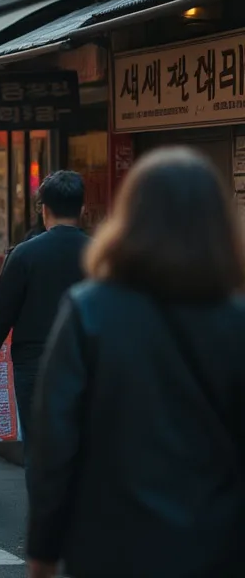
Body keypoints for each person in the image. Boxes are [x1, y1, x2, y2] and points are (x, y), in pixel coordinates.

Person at [27, 149, 245, 578]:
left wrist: (43, 549)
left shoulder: (90, 310)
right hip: (218, 543)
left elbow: (55, 440)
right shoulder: (235, 319)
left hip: (111, 541)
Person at [0, 171, 87, 481]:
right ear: (82, 209)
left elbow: (3, 309)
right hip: (87, 360)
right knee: (83, 440)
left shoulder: (25, 254)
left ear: (43, 209)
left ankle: (44, 507)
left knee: (39, 444)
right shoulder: (101, 253)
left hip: (35, 362)